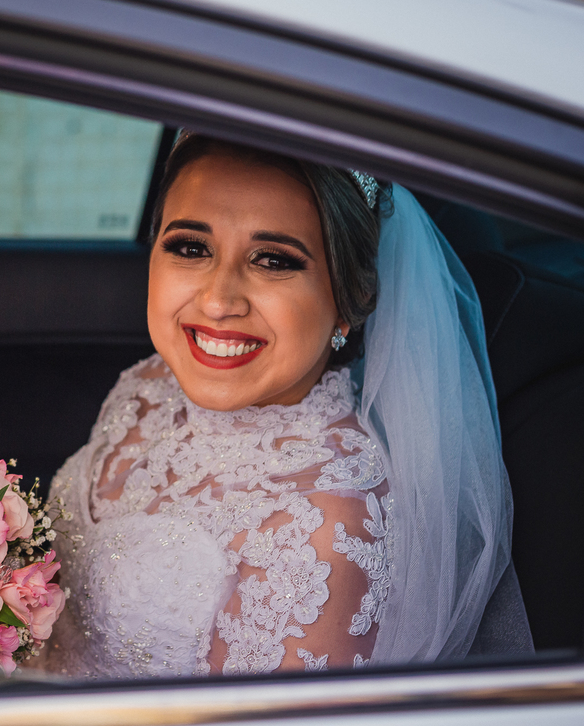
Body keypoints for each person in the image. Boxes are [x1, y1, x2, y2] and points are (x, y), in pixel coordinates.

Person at [43, 132, 532, 678]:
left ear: (346, 303)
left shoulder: (325, 523)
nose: (218, 300)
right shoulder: (148, 385)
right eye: (190, 247)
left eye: (273, 260)